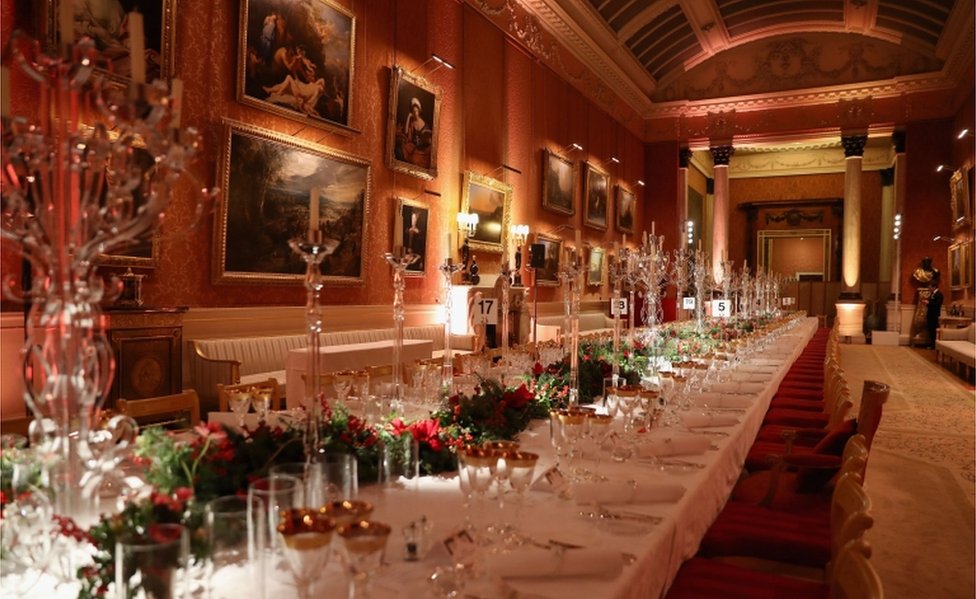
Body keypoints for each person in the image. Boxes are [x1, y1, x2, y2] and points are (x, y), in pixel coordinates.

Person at [925, 271, 944, 349]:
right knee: (930, 330)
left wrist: (928, 303)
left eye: (929, 287)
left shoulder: (939, 294)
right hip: (930, 314)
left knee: (933, 330)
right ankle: (932, 344)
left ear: (934, 287)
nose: (928, 289)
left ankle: (934, 345)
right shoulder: (932, 294)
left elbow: (937, 304)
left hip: (934, 315)